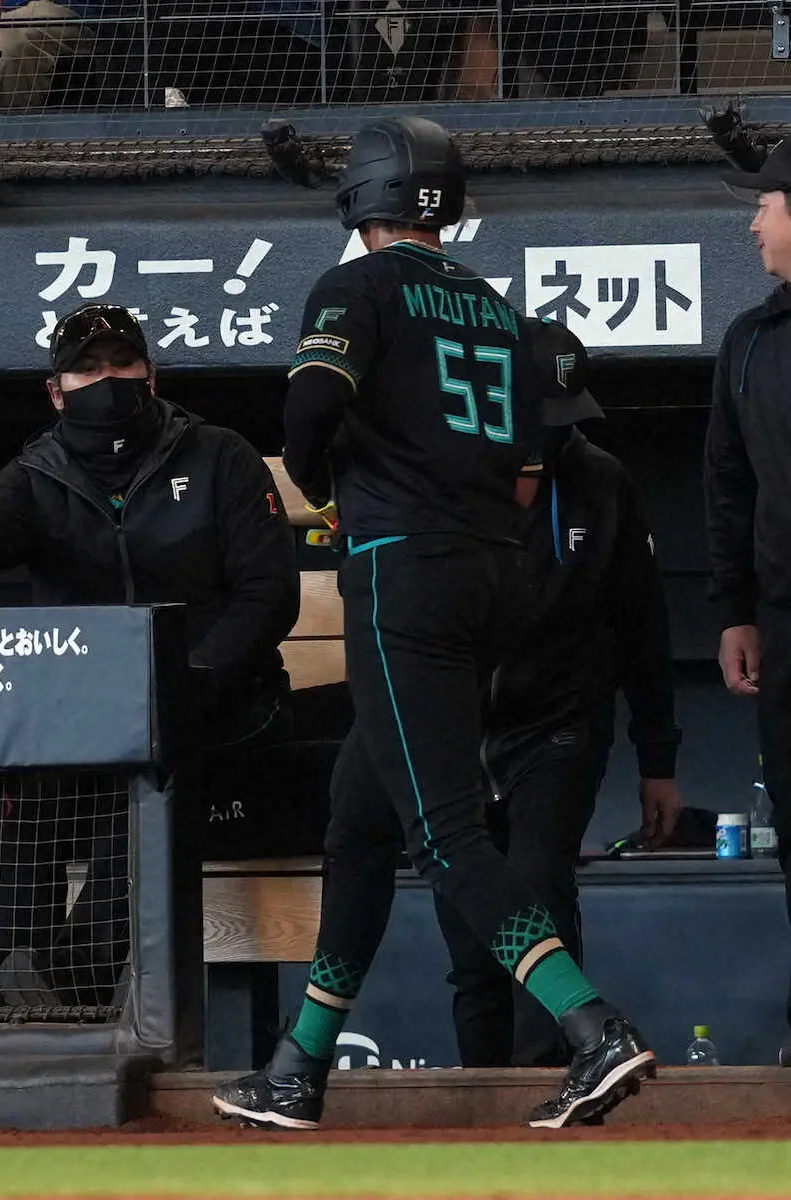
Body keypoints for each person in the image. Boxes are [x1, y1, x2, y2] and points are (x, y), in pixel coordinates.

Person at [211, 115, 655, 1132]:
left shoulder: (358, 286)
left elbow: (306, 412)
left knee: (445, 834)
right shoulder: (498, 308)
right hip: (493, 578)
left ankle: (591, 1029)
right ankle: (299, 1065)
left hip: (404, 576)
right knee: (359, 818)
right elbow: (525, 463)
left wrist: (326, 484)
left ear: (363, 201)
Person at [0, 302, 300, 1004]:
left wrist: (190, 679)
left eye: (122, 363)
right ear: (56, 391)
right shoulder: (39, 469)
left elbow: (269, 594)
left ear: (152, 375)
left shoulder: (219, 455)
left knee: (150, 778)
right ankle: (18, 977)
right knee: (38, 787)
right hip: (93, 717)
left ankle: (76, 973)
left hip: (217, 704)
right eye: (87, 369)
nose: (108, 379)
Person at [435, 319, 683, 1070]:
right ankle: (483, 1092)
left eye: (564, 417)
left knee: (538, 885)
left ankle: (551, 1075)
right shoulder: (445, 472)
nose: (553, 435)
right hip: (455, 729)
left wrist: (658, 759)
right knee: (469, 925)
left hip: (558, 722)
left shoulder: (600, 480)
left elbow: (642, 627)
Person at [705, 140, 791, 1037]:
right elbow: (727, 488)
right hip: (784, 623)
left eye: (766, 203)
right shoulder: (749, 341)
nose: (754, 222)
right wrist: (733, 610)